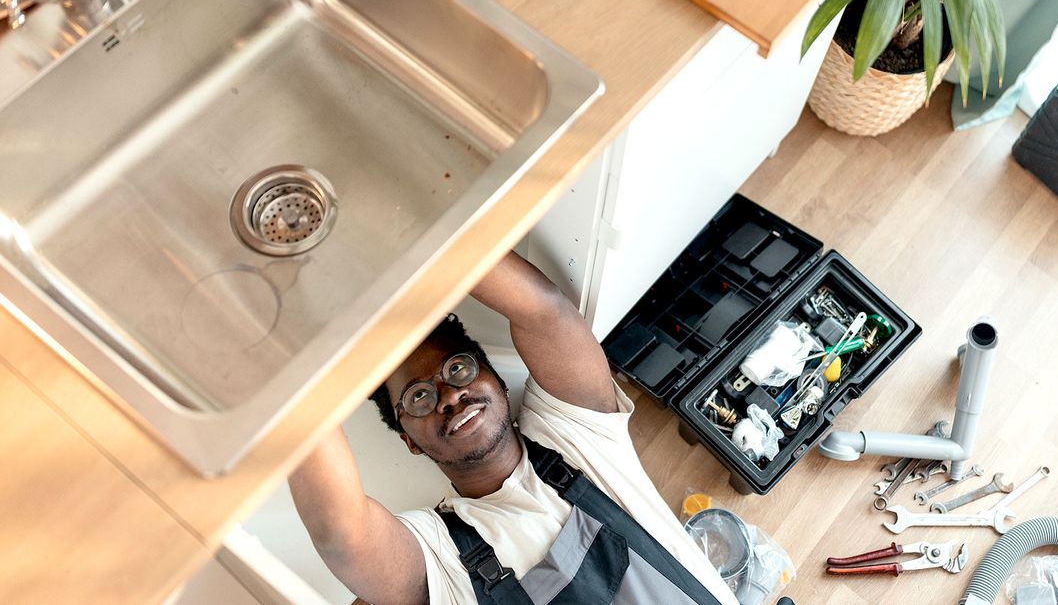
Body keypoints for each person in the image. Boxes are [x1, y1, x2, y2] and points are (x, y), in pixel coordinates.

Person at [288, 251, 738, 605]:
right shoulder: (440, 559)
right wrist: (288, 361)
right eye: (418, 397)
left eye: (458, 368)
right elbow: (342, 533)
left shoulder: (577, 435)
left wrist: (413, 236)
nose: (448, 395)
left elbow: (546, 312)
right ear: (409, 441)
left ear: (497, 380)